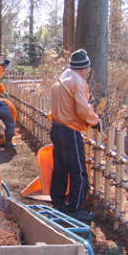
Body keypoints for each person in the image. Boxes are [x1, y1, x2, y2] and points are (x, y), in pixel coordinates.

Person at [50, 49, 100, 221]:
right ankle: (75, 208)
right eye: (87, 70)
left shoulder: (62, 77)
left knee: (60, 169)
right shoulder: (78, 82)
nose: (87, 73)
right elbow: (82, 109)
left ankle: (58, 203)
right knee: (78, 171)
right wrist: (94, 120)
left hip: (56, 128)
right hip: (69, 131)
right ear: (83, 68)